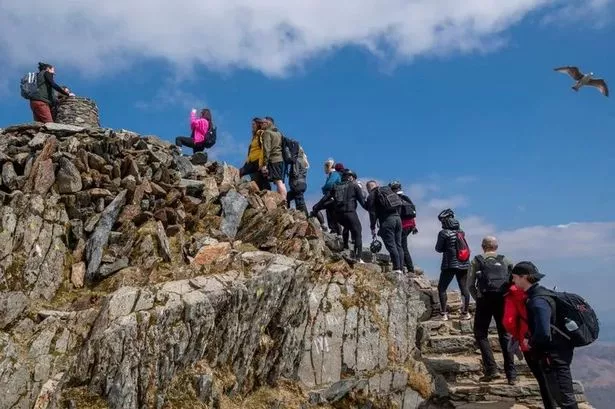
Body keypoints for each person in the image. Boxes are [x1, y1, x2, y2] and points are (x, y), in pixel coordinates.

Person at [511, 262, 580, 409]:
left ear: (524, 278)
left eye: (515, 277)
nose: (513, 281)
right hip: (559, 350)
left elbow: (543, 331)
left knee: (563, 396)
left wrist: (530, 343)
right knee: (561, 394)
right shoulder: (541, 293)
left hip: (554, 354)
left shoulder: (538, 301)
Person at [467, 236, 517, 384]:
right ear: (496, 247)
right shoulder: (506, 260)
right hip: (503, 301)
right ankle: (511, 375)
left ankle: (492, 369)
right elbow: (513, 281)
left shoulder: (477, 260)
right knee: (505, 335)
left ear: (483, 246)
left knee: (481, 333)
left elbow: (470, 284)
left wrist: (479, 298)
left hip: (485, 300)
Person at [503, 278, 557, 408]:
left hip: (528, 341)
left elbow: (508, 322)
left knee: (542, 378)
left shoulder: (512, 296)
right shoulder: (539, 292)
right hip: (549, 338)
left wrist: (517, 335)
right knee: (555, 374)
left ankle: (550, 406)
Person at [435, 208, 471, 321]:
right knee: (464, 288)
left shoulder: (443, 233)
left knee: (441, 288)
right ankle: (465, 313)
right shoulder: (461, 232)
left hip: (449, 264)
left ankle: (443, 314)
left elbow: (438, 249)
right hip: (464, 263)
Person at [327, 169, 366, 261]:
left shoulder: (336, 186)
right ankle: (358, 257)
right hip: (349, 212)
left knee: (346, 227)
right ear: (351, 177)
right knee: (357, 232)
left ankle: (345, 246)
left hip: (338, 215)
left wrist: (316, 208)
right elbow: (363, 203)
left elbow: (326, 198)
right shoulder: (354, 186)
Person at [366, 180, 404, 274]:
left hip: (387, 221)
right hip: (398, 219)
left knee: (391, 245)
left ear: (368, 188)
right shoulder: (387, 191)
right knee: (398, 244)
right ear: (376, 185)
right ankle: (401, 268)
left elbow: (372, 213)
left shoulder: (372, 195)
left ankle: (397, 268)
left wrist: (372, 226)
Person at [389, 181, 417, 273]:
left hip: (402, 225)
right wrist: (414, 226)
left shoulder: (395, 198)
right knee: (401, 245)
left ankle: (410, 269)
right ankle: (404, 264)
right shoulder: (406, 198)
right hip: (410, 225)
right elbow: (412, 212)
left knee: (402, 246)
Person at [310, 158, 342, 234]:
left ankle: (324, 226)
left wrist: (323, 188)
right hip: (333, 198)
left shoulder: (334, 174)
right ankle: (335, 231)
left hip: (331, 197)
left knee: (316, 208)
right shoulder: (334, 174)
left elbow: (329, 185)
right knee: (332, 214)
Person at [240, 117, 271, 191]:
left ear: (257, 124)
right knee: (260, 180)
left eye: (253, 124)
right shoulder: (255, 136)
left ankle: (268, 195)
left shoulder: (261, 134)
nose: (252, 126)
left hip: (257, 161)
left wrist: (262, 163)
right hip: (251, 161)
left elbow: (264, 149)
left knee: (262, 180)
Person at [260, 117, 287, 198]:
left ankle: (283, 200)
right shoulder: (279, 133)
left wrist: (265, 164)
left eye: (263, 123)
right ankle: (283, 200)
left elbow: (267, 149)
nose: (261, 124)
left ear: (267, 123)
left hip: (274, 159)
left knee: (278, 181)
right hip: (281, 159)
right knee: (279, 181)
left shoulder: (267, 133)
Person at [287, 146, 309, 215]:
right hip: (303, 183)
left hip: (297, 184)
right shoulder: (303, 160)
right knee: (288, 197)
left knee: (300, 203)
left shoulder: (296, 160)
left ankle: (305, 218)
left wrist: (289, 174)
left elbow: (295, 173)